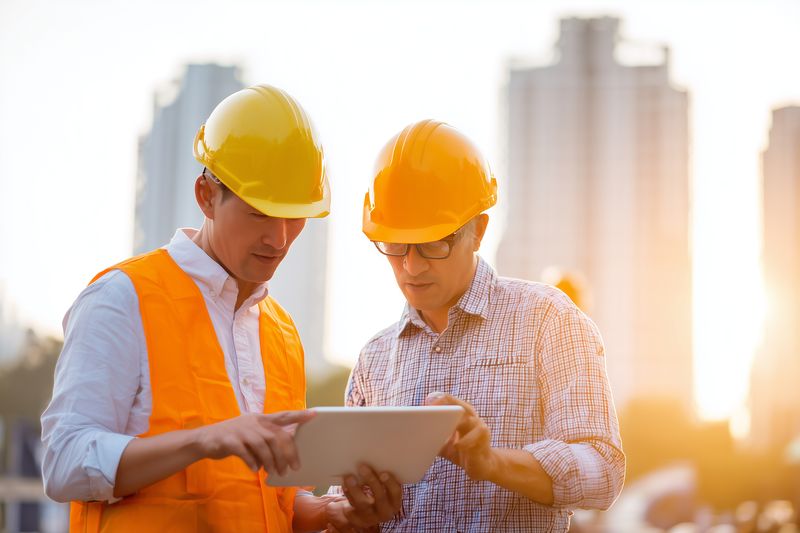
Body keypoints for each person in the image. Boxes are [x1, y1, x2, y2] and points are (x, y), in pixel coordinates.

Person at [41, 84, 401, 532]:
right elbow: (63, 462)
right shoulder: (122, 298)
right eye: (259, 213)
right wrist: (202, 440)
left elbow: (271, 502)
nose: (281, 238)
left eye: (294, 216)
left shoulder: (282, 333)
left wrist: (329, 512)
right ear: (206, 196)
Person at [346, 119, 625, 531]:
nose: (412, 265)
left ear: (478, 230)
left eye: (434, 243)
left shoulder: (547, 319)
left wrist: (493, 462)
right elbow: (346, 506)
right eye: (395, 244)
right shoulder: (374, 359)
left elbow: (603, 471)